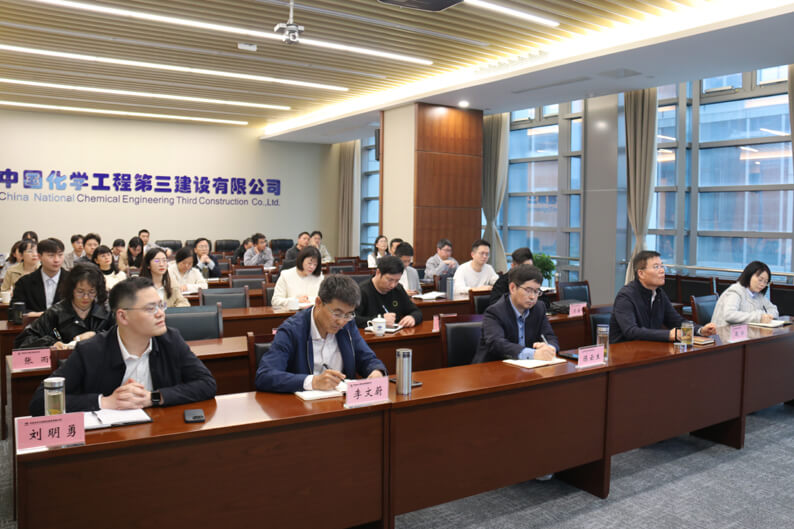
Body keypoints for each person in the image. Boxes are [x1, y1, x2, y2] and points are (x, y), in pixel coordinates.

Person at [29, 276, 217, 415]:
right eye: (150, 308)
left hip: (160, 432)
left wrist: (153, 397)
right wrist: (105, 402)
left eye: (161, 305)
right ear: (123, 316)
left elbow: (207, 384)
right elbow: (39, 401)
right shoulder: (90, 350)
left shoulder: (170, 340)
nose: (161, 313)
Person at [255, 274, 387, 393]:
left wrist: (376, 371)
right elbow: (265, 375)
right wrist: (313, 382)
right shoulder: (292, 330)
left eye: (348, 314)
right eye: (337, 313)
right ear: (318, 303)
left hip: (342, 403)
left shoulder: (348, 325)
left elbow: (367, 358)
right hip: (302, 407)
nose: (341, 321)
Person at [610, 250, 717, 343]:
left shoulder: (659, 293)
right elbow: (631, 331)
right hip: (623, 351)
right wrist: (668, 334)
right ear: (641, 273)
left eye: (662, 266)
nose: (662, 271)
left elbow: (676, 321)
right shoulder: (626, 296)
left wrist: (700, 330)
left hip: (648, 348)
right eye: (656, 267)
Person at [14, 262, 113, 350]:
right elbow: (24, 340)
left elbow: (119, 335)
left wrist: (96, 335)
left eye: (92, 292)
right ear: (71, 289)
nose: (86, 297)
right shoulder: (56, 312)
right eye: (80, 291)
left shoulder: (106, 311)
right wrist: (52, 343)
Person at [474, 264, 559, 363]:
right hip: (494, 368)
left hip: (528, 367)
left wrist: (549, 348)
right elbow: (497, 344)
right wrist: (533, 354)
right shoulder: (494, 312)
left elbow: (550, 336)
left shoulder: (539, 308)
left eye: (536, 291)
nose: (532, 297)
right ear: (512, 288)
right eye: (528, 290)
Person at [355, 256, 422, 329]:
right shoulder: (361, 291)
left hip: (396, 333)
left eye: (397, 280)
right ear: (378, 272)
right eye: (390, 280)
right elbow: (353, 319)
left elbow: (416, 311)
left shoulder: (398, 289)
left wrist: (412, 317)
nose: (393, 285)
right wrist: (379, 321)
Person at [11, 237, 68, 316]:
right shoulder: (24, 282)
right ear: (39, 256)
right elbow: (16, 310)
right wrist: (38, 315)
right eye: (51, 256)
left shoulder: (72, 280)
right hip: (34, 322)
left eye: (60, 255)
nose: (57, 260)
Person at [711, 261, 779, 327]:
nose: (762, 284)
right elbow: (729, 315)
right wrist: (759, 317)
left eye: (765, 282)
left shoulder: (758, 295)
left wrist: (764, 316)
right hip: (724, 332)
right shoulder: (735, 291)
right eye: (760, 280)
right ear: (749, 275)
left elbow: (774, 311)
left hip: (745, 332)